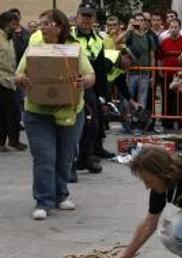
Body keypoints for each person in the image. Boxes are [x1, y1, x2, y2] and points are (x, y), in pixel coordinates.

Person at [15, 9, 95, 221]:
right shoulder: (34, 49)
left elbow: (89, 75)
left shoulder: (74, 49)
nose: (42, 26)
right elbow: (19, 73)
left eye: (47, 23)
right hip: (37, 112)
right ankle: (43, 201)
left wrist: (84, 81)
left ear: (59, 27)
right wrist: (23, 79)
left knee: (65, 156)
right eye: (41, 23)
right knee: (45, 157)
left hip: (70, 111)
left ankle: (61, 195)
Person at [72, 4, 111, 177]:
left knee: (91, 125)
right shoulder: (68, 36)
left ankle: (84, 158)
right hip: (71, 87)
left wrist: (105, 96)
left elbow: (101, 71)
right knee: (71, 127)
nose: (86, 19)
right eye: (83, 16)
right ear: (77, 17)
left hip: (90, 88)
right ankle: (69, 165)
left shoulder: (98, 40)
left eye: (89, 16)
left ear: (94, 19)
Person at [125, 13, 155, 136]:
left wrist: (153, 74)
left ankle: (139, 125)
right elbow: (121, 45)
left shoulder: (149, 38)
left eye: (141, 20)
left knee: (142, 100)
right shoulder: (130, 36)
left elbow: (152, 57)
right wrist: (128, 30)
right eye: (136, 20)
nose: (139, 22)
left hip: (144, 73)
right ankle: (129, 123)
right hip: (131, 72)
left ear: (144, 22)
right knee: (129, 99)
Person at [0, 11, 25, 152]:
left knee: (14, 112)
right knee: (3, 114)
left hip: (11, 80)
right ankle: (2, 142)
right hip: (1, 80)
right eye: (13, 24)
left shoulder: (10, 38)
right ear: (5, 23)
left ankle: (14, 140)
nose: (16, 27)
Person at [158, 18, 182, 131]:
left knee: (179, 99)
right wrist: (160, 70)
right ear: (169, 28)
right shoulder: (164, 41)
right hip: (167, 74)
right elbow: (160, 58)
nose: (173, 29)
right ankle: (166, 123)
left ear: (180, 28)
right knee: (166, 99)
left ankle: (179, 122)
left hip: (180, 76)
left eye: (176, 27)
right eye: (171, 27)